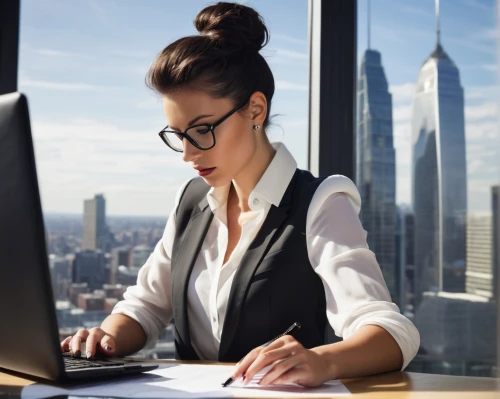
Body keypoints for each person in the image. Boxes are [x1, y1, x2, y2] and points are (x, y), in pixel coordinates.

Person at [60, 2, 420, 387]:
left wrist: (321, 361)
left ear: (255, 110)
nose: (187, 153)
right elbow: (146, 306)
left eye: (201, 130)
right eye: (178, 135)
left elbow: (390, 332)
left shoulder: (321, 202)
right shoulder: (192, 201)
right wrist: (106, 338)